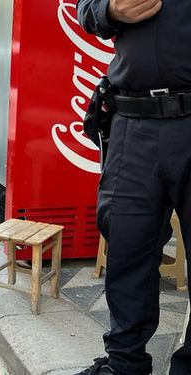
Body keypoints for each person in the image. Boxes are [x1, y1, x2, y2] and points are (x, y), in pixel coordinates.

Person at [76, 0, 191, 374]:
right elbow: (85, 8)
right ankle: (125, 365)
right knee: (127, 251)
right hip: (131, 121)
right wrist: (109, 11)